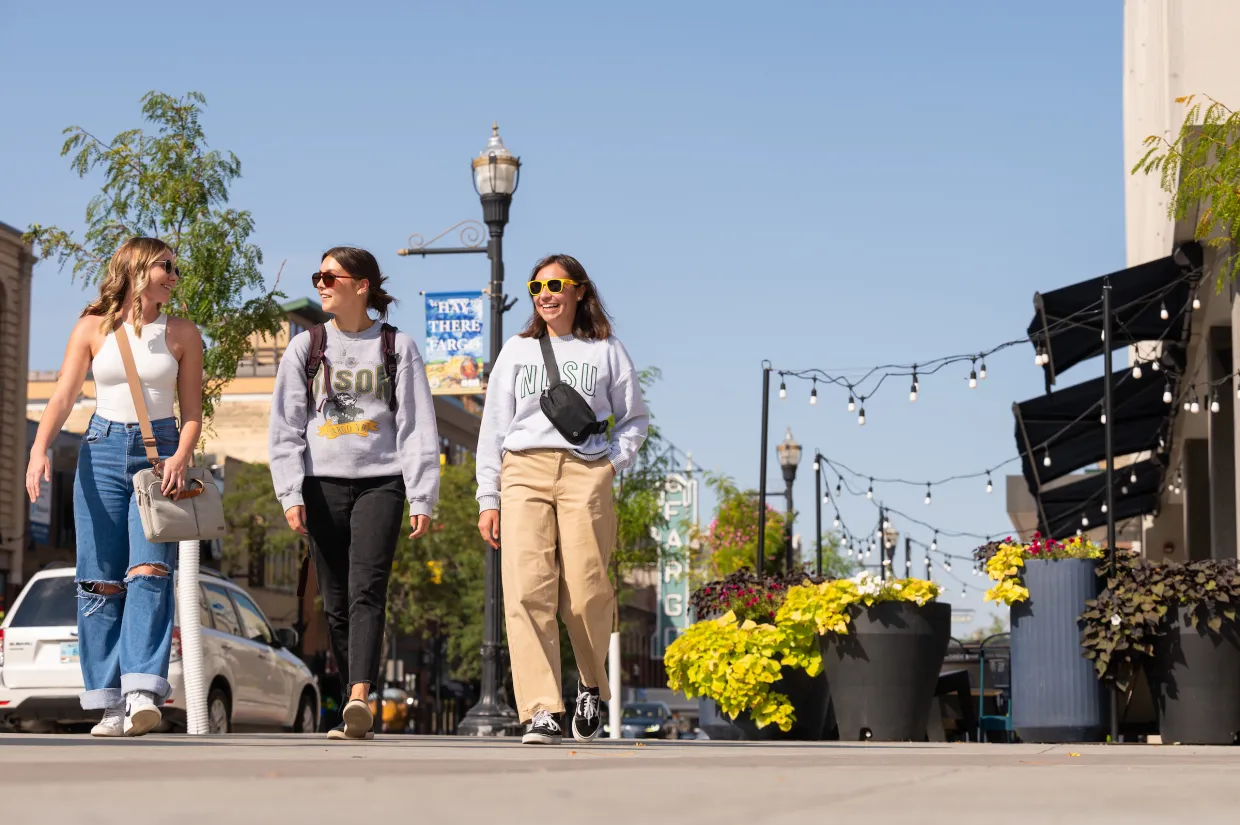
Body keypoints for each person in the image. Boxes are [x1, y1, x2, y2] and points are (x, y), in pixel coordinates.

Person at [26, 237, 204, 737]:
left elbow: (192, 413)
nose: (173, 274)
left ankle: (142, 691)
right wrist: (38, 450)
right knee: (99, 579)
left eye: (175, 267)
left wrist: (180, 456)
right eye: (165, 266)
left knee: (149, 570)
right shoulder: (91, 329)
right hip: (100, 449)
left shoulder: (184, 333)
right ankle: (107, 703)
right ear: (135, 268)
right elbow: (63, 395)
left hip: (159, 455)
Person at [476, 253, 649, 745]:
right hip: (523, 470)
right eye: (537, 287)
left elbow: (634, 419)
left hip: (585, 472)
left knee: (586, 591)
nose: (546, 294)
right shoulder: (517, 350)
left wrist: (611, 465)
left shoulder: (607, 350)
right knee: (527, 590)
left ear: (579, 291)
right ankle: (542, 709)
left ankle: (590, 685)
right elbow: (493, 428)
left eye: (555, 285)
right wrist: (488, 495)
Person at [269, 246, 440, 741]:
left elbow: (416, 427)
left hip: (381, 483)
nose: (321, 284)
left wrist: (422, 494)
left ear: (361, 285)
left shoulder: (397, 346)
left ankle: (360, 693)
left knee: (368, 589)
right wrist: (289, 492)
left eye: (330, 276)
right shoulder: (306, 347)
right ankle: (352, 701)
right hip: (320, 484)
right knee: (335, 600)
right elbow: (285, 427)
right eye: (317, 276)